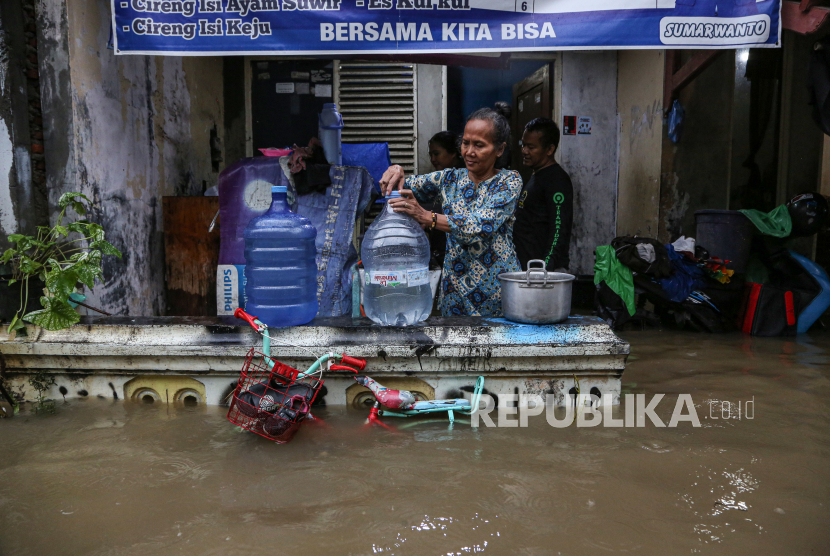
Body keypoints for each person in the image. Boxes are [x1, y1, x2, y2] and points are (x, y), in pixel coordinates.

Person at [379, 108, 523, 317]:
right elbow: (400, 185)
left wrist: (428, 217)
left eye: (479, 145)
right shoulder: (449, 179)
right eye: (466, 143)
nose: (469, 152)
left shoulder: (509, 181)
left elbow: (481, 225)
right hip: (455, 295)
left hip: (497, 296)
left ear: (499, 149)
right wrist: (396, 170)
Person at [513, 117, 573, 273]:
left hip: (544, 273)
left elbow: (559, 229)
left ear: (550, 149)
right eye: (523, 145)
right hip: (529, 269)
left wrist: (545, 268)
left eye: (531, 147)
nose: (524, 151)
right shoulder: (537, 175)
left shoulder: (557, 180)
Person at [426, 131, 464, 269]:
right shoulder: (437, 180)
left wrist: (426, 217)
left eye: (436, 154)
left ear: (453, 153)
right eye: (430, 155)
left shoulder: (462, 180)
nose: (433, 159)